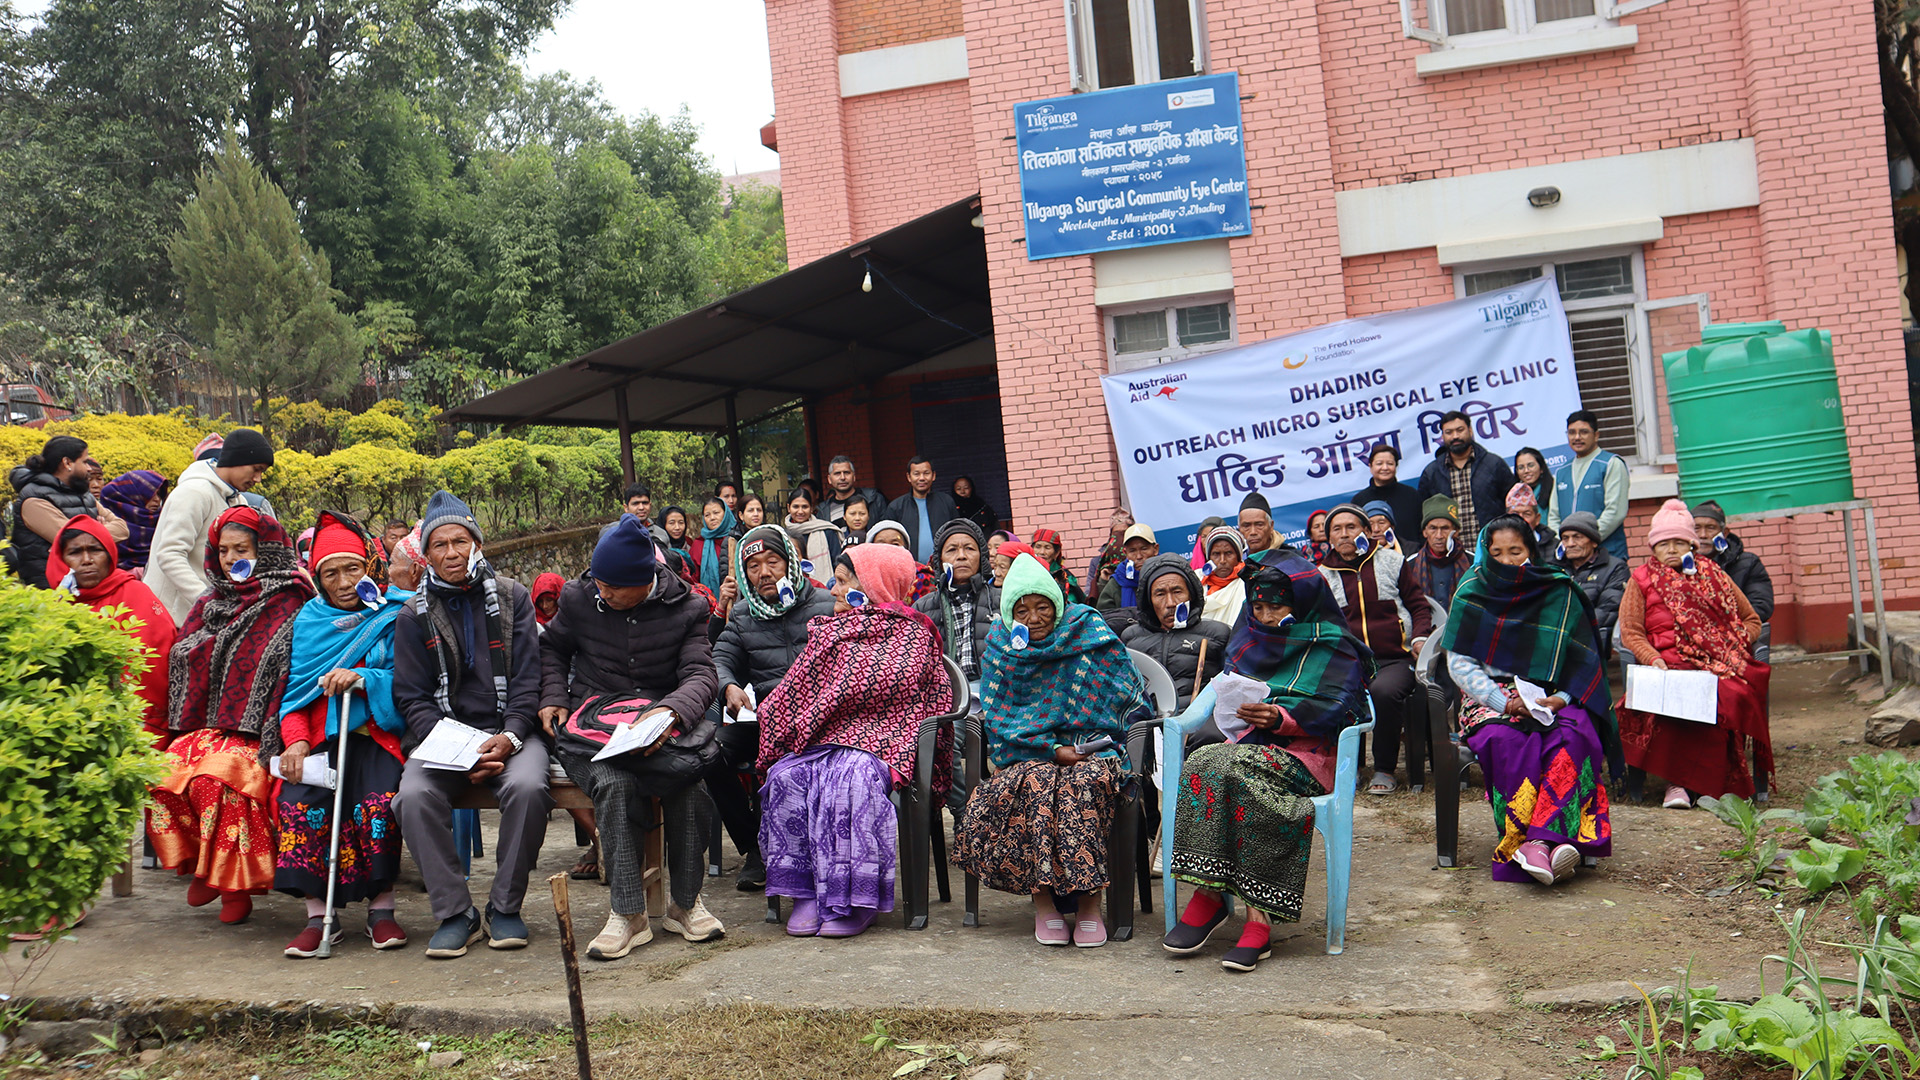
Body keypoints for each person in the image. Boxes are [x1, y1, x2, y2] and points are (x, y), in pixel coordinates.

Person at [1163, 556, 1374, 969]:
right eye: (1257, 607)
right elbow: (1229, 687)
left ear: (1304, 602)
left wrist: (1283, 717)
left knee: (1231, 772)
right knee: (1204, 758)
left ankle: (1247, 916)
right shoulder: (1249, 637)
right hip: (1245, 749)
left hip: (1306, 759)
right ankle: (1214, 895)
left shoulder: (1334, 645)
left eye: (1275, 607)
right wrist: (1237, 710)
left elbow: (1338, 711)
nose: (1265, 616)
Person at [538, 517, 725, 960]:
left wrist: (669, 711)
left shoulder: (687, 607)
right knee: (615, 784)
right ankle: (628, 914)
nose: (603, 594)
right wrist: (553, 695)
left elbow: (701, 673)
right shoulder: (580, 597)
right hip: (591, 725)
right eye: (599, 584)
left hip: (658, 724)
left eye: (614, 588)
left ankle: (684, 904)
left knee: (689, 783)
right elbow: (554, 648)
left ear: (645, 582)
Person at [758, 543, 954, 938]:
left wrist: (838, 691)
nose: (832, 590)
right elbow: (793, 690)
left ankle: (852, 898)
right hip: (824, 738)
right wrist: (786, 723)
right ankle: (806, 892)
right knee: (785, 777)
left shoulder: (913, 633)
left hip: (884, 740)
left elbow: (894, 685)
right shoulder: (830, 631)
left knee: (853, 778)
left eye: (843, 582)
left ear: (875, 585)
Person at [952, 553, 1147, 949]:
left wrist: (1083, 746)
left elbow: (1124, 697)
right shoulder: (1001, 649)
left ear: (1057, 604)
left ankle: (1091, 905)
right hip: (1028, 753)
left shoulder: (1089, 631)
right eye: (1021, 610)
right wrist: (1051, 749)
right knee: (1034, 785)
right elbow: (1000, 720)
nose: (1034, 617)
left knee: (1083, 784)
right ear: (1009, 614)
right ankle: (1045, 904)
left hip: (1095, 746)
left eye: (1043, 606)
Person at [391, 491, 550, 959]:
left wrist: (509, 735)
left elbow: (528, 679)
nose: (452, 553)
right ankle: (454, 912)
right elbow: (411, 696)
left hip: (511, 732)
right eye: (439, 545)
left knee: (527, 790)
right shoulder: (411, 615)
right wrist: (456, 749)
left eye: (460, 541)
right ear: (427, 554)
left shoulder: (513, 597)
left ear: (476, 543)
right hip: (444, 738)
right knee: (413, 797)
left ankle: (504, 908)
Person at [150, 505, 313, 925]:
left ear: (268, 551)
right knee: (161, 774)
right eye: (223, 550)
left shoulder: (291, 597)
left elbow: (286, 661)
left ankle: (232, 889)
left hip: (264, 730)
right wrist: (213, 648)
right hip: (209, 723)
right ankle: (205, 865)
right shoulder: (211, 598)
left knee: (218, 781)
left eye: (241, 549)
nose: (229, 559)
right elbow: (184, 652)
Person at [1440, 514, 1618, 885]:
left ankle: (1543, 840)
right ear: (1486, 553)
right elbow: (1458, 663)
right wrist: (1503, 702)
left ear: (1531, 551)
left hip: (1549, 694)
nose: (1506, 561)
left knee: (1574, 733)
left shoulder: (1556, 588)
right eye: (1497, 552)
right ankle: (1527, 840)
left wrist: (1562, 698)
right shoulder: (1471, 589)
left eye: (1515, 551)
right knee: (1507, 740)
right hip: (1491, 698)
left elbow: (1582, 660)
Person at [264, 512, 411, 957]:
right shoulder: (310, 621)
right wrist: (297, 742)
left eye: (353, 568)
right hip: (321, 740)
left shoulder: (397, 613)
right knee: (299, 804)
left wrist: (365, 677)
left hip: (377, 733)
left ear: (371, 566)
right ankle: (316, 914)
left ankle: (381, 911)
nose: (345, 581)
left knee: (377, 802)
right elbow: (294, 697)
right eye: (331, 573)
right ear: (319, 580)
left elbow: (411, 681)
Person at [1618, 499, 1771, 808]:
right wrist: (1652, 658)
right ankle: (1677, 785)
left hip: (1717, 665)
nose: (1671, 549)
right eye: (1664, 543)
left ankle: (1711, 784)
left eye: (1679, 542)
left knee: (1726, 697)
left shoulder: (1714, 575)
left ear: (1692, 544)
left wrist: (1733, 643)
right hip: (1666, 665)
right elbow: (1631, 632)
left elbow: (1751, 620)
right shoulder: (1641, 580)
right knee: (1674, 698)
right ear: (1653, 548)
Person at [711, 524, 838, 890]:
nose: (764, 572)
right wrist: (729, 686)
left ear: (791, 563)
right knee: (708, 753)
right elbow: (720, 658)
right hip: (766, 717)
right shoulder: (742, 614)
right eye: (753, 567)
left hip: (821, 720)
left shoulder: (826, 605)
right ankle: (755, 846)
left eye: (773, 561)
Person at [1317, 503, 1432, 795]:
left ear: (1367, 531)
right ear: (1329, 538)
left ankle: (1384, 768)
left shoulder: (1392, 561)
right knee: (1339, 692)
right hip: (1349, 661)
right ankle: (1349, 768)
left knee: (1383, 692)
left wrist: (1419, 638)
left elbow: (1419, 606)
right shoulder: (1321, 576)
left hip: (1395, 658)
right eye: (1337, 530)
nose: (1344, 535)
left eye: (1351, 527)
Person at [45, 514, 176, 743]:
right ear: (61, 559)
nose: (87, 560)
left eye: (95, 550)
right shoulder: (57, 605)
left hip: (133, 725)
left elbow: (151, 668)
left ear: (110, 554)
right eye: (75, 552)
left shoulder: (134, 595)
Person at [150, 429, 275, 625]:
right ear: (236, 460)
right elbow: (169, 554)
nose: (258, 478)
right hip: (171, 619)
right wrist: (206, 600)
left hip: (206, 616)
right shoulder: (194, 492)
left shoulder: (236, 499)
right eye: (256, 469)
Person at [9, 435, 126, 588]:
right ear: (67, 463)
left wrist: (92, 531)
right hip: (53, 592)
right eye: (84, 462)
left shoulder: (83, 494)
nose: (89, 468)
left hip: (86, 584)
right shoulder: (34, 500)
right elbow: (72, 540)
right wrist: (98, 529)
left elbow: (123, 529)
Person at [1119, 554, 1229, 713]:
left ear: (1191, 595)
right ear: (1148, 600)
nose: (1170, 603)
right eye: (1160, 594)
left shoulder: (1217, 634)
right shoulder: (1130, 639)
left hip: (1201, 726)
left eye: (1177, 591)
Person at [1415, 411, 1516, 545]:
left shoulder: (1494, 464)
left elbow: (1512, 507)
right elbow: (1423, 517)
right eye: (1449, 432)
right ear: (1443, 436)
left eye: (1460, 430)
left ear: (1470, 430)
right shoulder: (1432, 473)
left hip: (1493, 546)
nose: (1455, 436)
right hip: (1452, 553)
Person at [916, 519, 999, 681]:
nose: (961, 556)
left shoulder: (1001, 600)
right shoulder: (922, 608)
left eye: (969, 548)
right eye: (952, 550)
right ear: (940, 560)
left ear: (982, 557)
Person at [1545, 410, 1630, 559]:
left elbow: (1615, 512)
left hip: (1607, 554)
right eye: (1572, 433)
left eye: (1583, 432)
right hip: (1571, 557)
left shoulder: (1611, 464)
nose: (1577, 437)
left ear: (1596, 435)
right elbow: (1554, 515)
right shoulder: (1561, 471)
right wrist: (1566, 543)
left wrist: (1588, 540)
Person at [1556, 512, 1628, 657]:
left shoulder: (1614, 567)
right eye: (1565, 538)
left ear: (1594, 542)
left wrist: (1569, 630)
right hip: (1557, 641)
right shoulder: (1555, 569)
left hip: (1593, 643)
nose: (1570, 544)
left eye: (1577, 537)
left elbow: (1608, 611)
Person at [1691, 501, 1775, 625]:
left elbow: (1761, 606)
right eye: (1696, 528)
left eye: (1711, 528)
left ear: (1724, 533)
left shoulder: (1748, 563)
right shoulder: (1678, 565)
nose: (1703, 535)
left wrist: (1725, 625)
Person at [884, 457, 958, 565]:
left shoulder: (946, 502)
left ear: (933, 476)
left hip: (943, 567)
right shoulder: (896, 507)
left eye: (926, 473)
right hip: (910, 569)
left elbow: (957, 533)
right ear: (909, 477)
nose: (921, 478)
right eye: (916, 474)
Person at [1406, 496, 1471, 611]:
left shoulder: (1472, 563)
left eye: (1445, 528)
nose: (1439, 536)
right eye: (1433, 528)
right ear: (1425, 532)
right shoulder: (1410, 565)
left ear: (1455, 532)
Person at [98, 470, 168, 572]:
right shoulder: (108, 522)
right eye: (150, 495)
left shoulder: (164, 520)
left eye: (159, 495)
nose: (157, 500)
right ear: (131, 495)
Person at [1349, 443, 1421, 543]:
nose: (1385, 468)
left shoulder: (1411, 495)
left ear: (1396, 466)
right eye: (1379, 464)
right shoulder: (1359, 500)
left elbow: (1421, 529)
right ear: (1370, 467)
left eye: (1390, 464)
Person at [867, 519, 937, 601]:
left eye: (895, 544)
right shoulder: (864, 581)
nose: (888, 549)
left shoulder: (922, 577)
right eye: (881, 544)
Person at [1095, 523, 1159, 612]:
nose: (1139, 556)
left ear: (1155, 549)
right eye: (1132, 551)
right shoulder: (1117, 582)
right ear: (1125, 553)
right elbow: (1106, 617)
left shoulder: (1167, 576)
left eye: (1144, 549)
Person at [781, 488, 843, 577]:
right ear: (788, 508)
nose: (800, 511)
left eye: (805, 507)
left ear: (812, 508)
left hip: (826, 586)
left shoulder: (827, 531)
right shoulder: (783, 535)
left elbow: (837, 563)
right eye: (796, 506)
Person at [689, 497, 738, 599]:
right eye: (707, 515)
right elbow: (693, 579)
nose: (712, 518)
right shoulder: (698, 544)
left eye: (716, 513)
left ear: (725, 514)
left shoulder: (737, 538)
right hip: (708, 603)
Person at [1199, 527, 1248, 628]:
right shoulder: (1197, 580)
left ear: (1239, 557)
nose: (1222, 560)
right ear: (1209, 558)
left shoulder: (1246, 583)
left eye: (1228, 553)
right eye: (1216, 554)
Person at [818, 456, 887, 527]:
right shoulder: (823, 510)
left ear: (854, 476)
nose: (842, 477)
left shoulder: (874, 499)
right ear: (829, 479)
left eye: (846, 473)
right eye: (837, 473)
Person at [1028, 527, 1088, 605]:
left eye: (1047, 547)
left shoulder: (1064, 576)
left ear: (1056, 553)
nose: (1042, 552)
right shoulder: (1027, 572)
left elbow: (1071, 604)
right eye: (1038, 547)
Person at [1086, 509, 1135, 599]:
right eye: (1116, 534)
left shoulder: (1139, 559)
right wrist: (1102, 581)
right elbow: (1090, 595)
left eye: (1124, 533)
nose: (1120, 539)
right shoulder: (1097, 562)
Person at [1505, 484, 1553, 548]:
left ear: (1537, 519)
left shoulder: (1553, 546)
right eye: (1515, 514)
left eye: (1527, 514)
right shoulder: (1496, 544)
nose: (1521, 519)